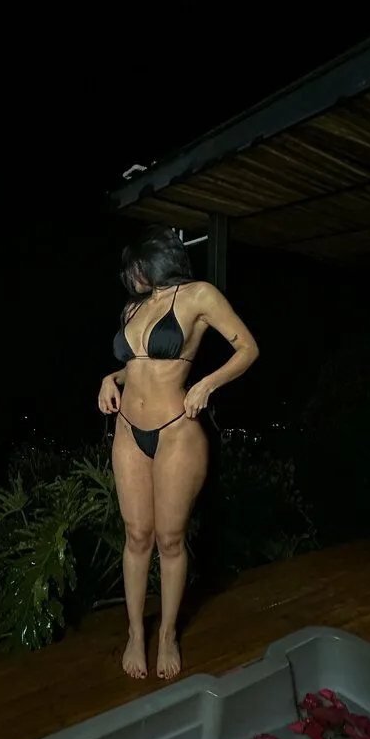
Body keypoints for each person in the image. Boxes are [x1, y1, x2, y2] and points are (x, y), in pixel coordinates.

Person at [97, 225, 259, 681]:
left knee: (170, 540)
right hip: (128, 429)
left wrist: (207, 384)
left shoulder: (198, 296)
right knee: (136, 536)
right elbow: (137, 366)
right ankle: (135, 632)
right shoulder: (133, 307)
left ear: (157, 259)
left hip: (175, 431)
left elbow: (248, 348)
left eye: (138, 267)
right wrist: (110, 378)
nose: (133, 277)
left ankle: (167, 633)